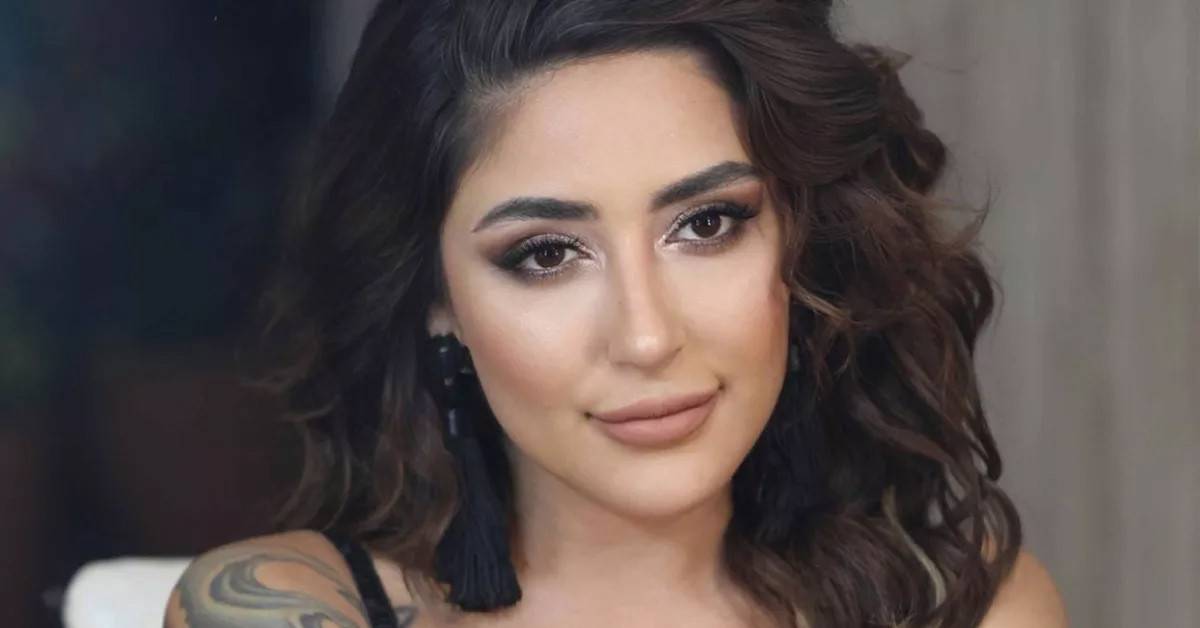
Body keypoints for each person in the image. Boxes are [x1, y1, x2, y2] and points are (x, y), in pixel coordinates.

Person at [164, 1, 1068, 626]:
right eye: (546, 254)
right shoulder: (279, 604)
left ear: (801, 244)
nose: (646, 335)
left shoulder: (963, 607)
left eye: (706, 224)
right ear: (437, 302)